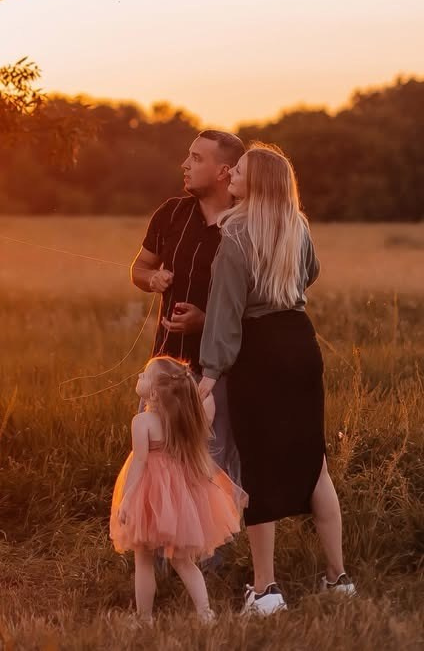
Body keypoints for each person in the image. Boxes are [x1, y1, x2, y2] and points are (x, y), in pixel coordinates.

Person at [198, 143, 355, 615]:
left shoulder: (235, 233)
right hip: (300, 342)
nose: (232, 177)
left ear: (258, 181)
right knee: (315, 463)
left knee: (258, 467)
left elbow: (225, 313)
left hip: (259, 348)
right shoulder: (298, 226)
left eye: (240, 171)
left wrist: (209, 375)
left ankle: (265, 590)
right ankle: (339, 578)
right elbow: (310, 273)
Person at [130, 129, 244, 478]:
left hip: (222, 371)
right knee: (160, 470)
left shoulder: (245, 224)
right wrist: (153, 279)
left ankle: (218, 535)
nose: (185, 164)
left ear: (224, 171)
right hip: (165, 372)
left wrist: (206, 322)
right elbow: (139, 268)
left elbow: (258, 303)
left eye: (196, 158)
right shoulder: (171, 213)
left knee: (214, 469)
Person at [110, 356, 246, 624]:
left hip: (148, 493)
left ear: (152, 392)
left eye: (144, 375)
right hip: (179, 495)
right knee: (184, 561)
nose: (138, 376)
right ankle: (206, 613)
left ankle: (145, 618)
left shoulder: (142, 422)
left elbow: (139, 462)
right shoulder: (181, 420)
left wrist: (127, 498)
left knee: (144, 560)